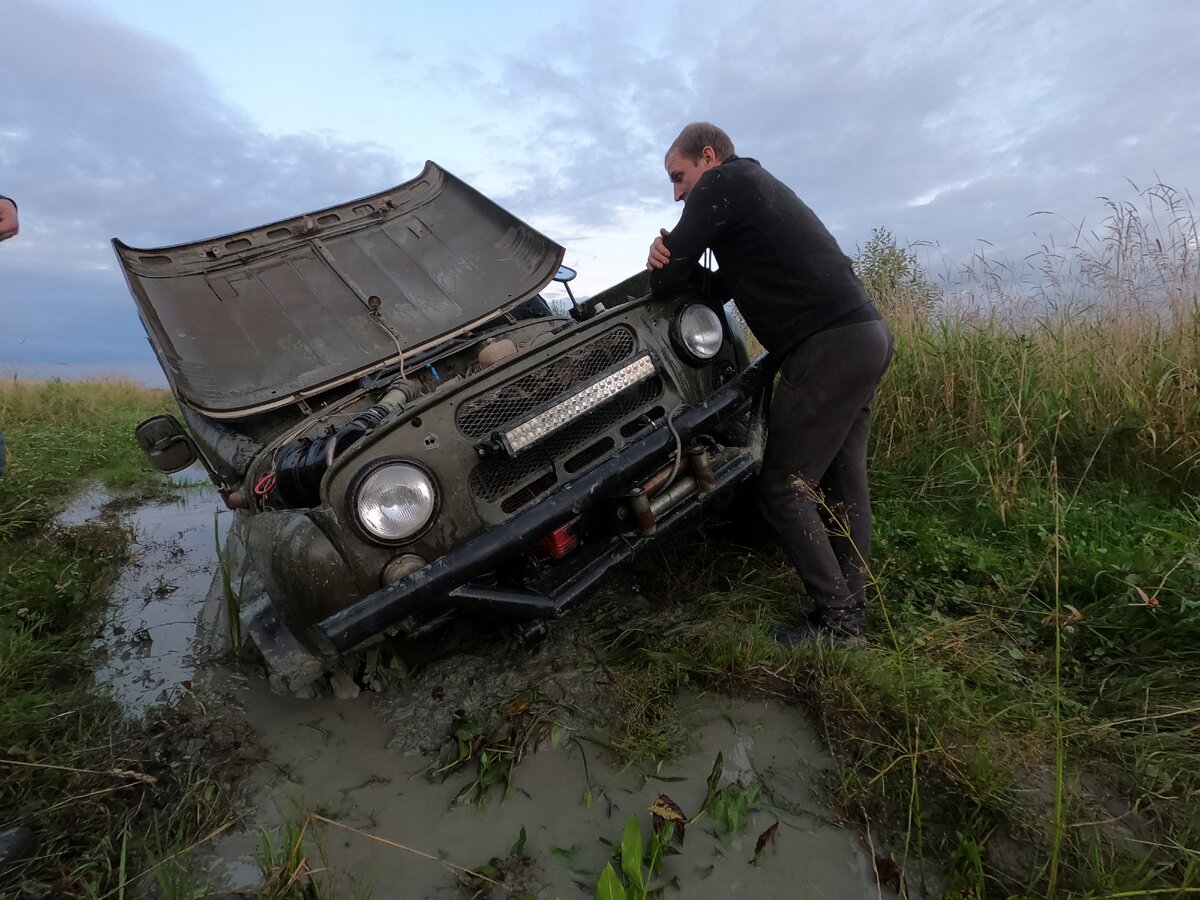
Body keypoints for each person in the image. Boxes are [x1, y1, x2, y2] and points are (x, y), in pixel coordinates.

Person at [646, 123, 893, 643]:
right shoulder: (752, 195)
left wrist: (661, 252)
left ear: (707, 157)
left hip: (826, 347)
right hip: (864, 335)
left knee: (783, 488)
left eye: (678, 176)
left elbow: (669, 280)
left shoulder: (722, 185)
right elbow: (719, 286)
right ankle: (853, 608)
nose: (677, 193)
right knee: (844, 481)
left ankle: (840, 623)